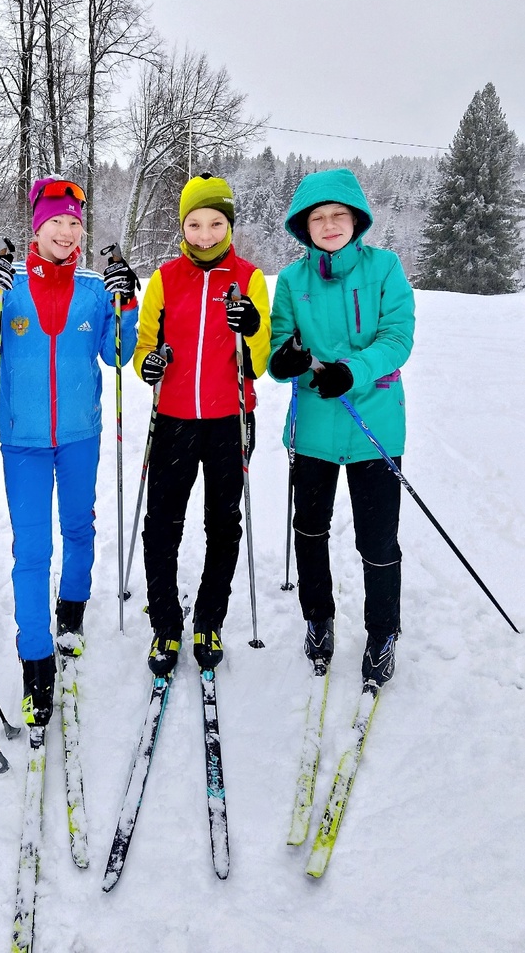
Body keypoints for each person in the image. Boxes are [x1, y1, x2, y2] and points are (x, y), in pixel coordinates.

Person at [0, 177, 139, 726]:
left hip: (81, 437)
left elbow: (119, 354)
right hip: (22, 442)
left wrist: (127, 301)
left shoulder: (93, 289)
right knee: (32, 550)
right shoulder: (11, 285)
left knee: (80, 530)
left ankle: (73, 611)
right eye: (55, 222)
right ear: (36, 227)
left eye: (73, 223)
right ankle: (35, 660)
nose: (66, 232)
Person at [268, 167, 415, 688]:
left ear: (356, 219)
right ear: (303, 226)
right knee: (309, 531)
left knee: (378, 541)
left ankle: (382, 634)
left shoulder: (385, 268)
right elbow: (278, 345)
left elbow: (398, 337)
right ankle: (318, 616)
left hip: (375, 425)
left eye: (338, 215)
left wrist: (353, 371)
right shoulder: (291, 280)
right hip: (312, 429)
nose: (329, 225)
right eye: (318, 217)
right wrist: (285, 360)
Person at [133, 173, 271, 675]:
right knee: (162, 525)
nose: (206, 234)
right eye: (195, 224)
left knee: (223, 523)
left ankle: (209, 619)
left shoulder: (249, 278)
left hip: (230, 420)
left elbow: (258, 360)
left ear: (229, 224)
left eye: (216, 223)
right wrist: (148, 364)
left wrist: (252, 328)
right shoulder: (166, 279)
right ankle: (166, 625)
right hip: (172, 420)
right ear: (182, 226)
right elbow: (145, 346)